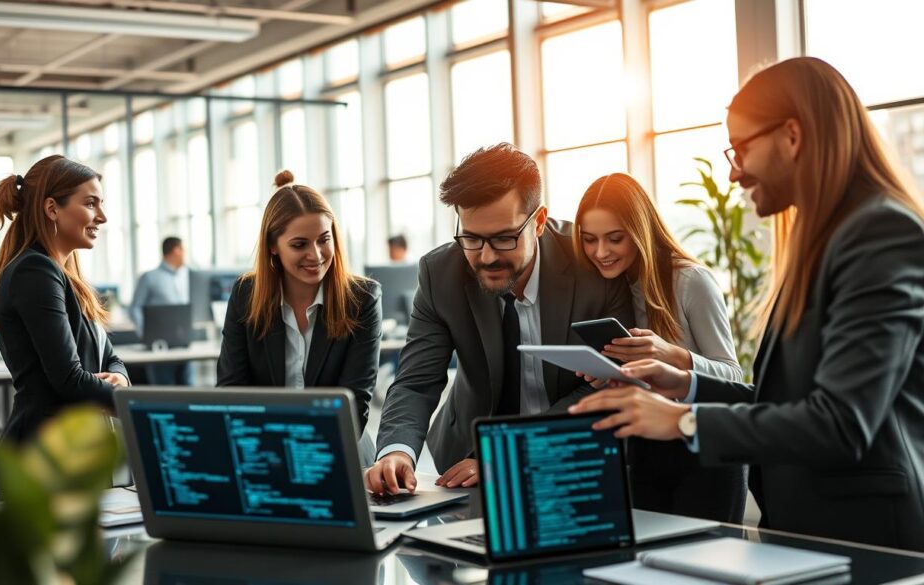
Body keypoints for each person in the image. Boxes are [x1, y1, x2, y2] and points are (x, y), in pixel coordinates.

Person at [569, 57, 924, 551]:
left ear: (792, 136)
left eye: (741, 149)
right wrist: (686, 384)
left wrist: (680, 419)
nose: (734, 173)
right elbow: (789, 404)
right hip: (811, 528)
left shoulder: (879, 233)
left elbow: (839, 422)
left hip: (867, 537)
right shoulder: (827, 239)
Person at [364, 143, 633, 495]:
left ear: (537, 222)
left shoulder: (593, 264)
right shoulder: (440, 273)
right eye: (472, 238)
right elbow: (416, 381)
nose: (486, 257)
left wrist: (508, 453)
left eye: (504, 238)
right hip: (466, 462)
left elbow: (607, 380)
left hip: (570, 455)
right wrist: (395, 451)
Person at [574, 172, 746, 523]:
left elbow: (734, 377)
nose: (601, 252)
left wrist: (673, 355)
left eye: (615, 239)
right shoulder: (612, 288)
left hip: (704, 453)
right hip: (644, 450)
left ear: (640, 231)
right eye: (589, 240)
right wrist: (609, 376)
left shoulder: (690, 281)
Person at [0, 155, 130, 487]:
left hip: (74, 449)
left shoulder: (65, 275)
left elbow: (110, 358)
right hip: (47, 457)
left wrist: (118, 379)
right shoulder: (35, 272)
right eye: (91, 204)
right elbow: (68, 379)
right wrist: (130, 405)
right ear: (52, 209)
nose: (101, 217)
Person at [217, 170, 381, 462]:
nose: (316, 255)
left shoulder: (362, 299)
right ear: (273, 246)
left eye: (323, 240)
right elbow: (232, 391)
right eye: (299, 244)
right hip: (266, 452)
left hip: (342, 451)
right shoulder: (245, 295)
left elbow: (355, 403)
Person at [131, 236, 193, 385]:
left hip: (183, 344)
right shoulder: (149, 277)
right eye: (183, 250)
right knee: (165, 393)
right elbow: (135, 308)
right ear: (176, 251)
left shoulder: (186, 275)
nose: (185, 254)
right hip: (160, 348)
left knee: (189, 391)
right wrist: (145, 333)